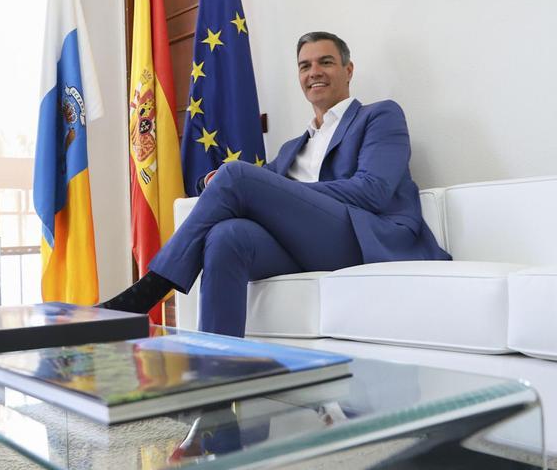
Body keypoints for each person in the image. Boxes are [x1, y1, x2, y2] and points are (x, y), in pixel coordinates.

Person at [102, 32, 451, 337]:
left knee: (238, 175)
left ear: (348, 70)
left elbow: (372, 190)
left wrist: (281, 191)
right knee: (227, 237)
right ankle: (217, 375)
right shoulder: (290, 150)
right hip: (304, 246)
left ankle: (148, 290)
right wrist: (213, 180)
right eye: (304, 66)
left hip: (361, 238)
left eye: (325, 62)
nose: (314, 71)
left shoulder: (379, 115)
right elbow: (259, 191)